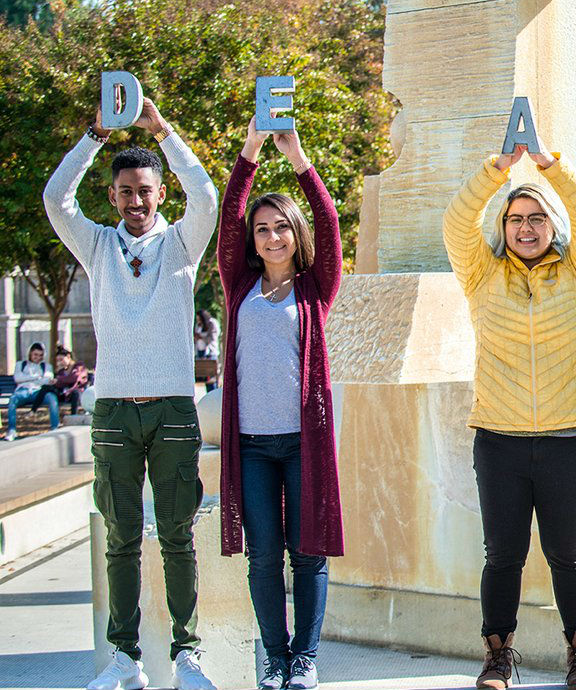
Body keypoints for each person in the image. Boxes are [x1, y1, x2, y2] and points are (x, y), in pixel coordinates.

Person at [43, 97, 218, 690]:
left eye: (145, 190)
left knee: (177, 537)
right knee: (120, 537)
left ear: (159, 194)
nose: (135, 201)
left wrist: (162, 130)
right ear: (113, 197)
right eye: (125, 192)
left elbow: (208, 198)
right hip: (115, 411)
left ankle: (187, 655)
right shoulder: (96, 247)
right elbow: (54, 200)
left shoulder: (182, 245)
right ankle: (125, 659)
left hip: (172, 409)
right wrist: (96, 133)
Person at [442, 134, 576, 690]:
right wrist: (497, 172)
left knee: (568, 555)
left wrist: (549, 169)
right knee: (503, 556)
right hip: (500, 438)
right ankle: (497, 657)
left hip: (568, 436)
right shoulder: (481, 275)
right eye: (516, 218)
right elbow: (455, 223)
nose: (526, 227)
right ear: (503, 225)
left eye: (537, 217)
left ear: (552, 225)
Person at [218, 119, 345, 690]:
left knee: (308, 554)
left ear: (295, 234)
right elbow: (228, 217)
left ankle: (304, 658)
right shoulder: (238, 283)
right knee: (264, 556)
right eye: (262, 229)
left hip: (302, 443)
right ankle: (274, 658)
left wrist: (298, 159)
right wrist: (249, 149)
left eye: (281, 228)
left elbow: (330, 221)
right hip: (251, 446)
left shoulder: (316, 288)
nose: (271, 238)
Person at [5, 342, 57, 441]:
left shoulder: (46, 366)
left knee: (52, 398)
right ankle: (12, 430)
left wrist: (27, 378)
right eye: (35, 355)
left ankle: (54, 428)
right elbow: (17, 378)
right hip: (23, 391)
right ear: (30, 354)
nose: (38, 357)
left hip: (38, 392)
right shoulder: (21, 364)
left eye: (40, 355)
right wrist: (36, 377)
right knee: (13, 399)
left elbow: (48, 380)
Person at [49, 346, 90, 415]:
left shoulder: (79, 366)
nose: (60, 362)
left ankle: (73, 415)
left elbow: (75, 377)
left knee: (75, 393)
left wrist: (59, 379)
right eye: (58, 360)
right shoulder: (61, 371)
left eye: (61, 359)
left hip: (78, 393)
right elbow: (60, 384)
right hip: (66, 394)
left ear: (68, 357)